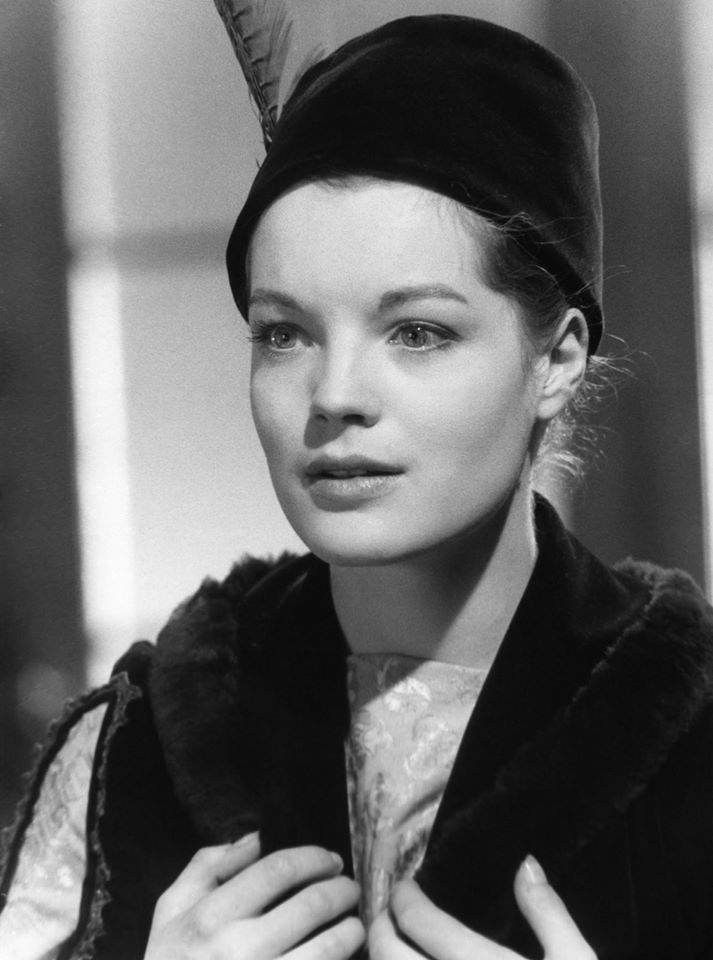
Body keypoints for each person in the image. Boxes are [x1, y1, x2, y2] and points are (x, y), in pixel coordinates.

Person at [1, 9, 712, 960]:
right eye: (283, 333)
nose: (334, 395)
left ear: (556, 358)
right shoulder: (135, 746)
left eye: (417, 332)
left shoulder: (690, 741)